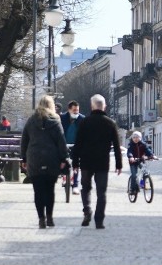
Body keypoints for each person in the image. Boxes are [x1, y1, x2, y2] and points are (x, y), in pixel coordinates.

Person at [71, 94, 122, 229]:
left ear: (92, 106)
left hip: (86, 162)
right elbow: (117, 146)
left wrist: (75, 162)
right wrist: (119, 164)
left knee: (86, 188)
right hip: (102, 163)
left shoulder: (84, 122)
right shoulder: (110, 123)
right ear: (104, 106)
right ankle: (99, 221)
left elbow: (78, 144)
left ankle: (87, 210)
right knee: (101, 192)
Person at [20, 96, 69, 229]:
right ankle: (50, 217)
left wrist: (24, 158)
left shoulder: (31, 120)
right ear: (52, 105)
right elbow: (61, 141)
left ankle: (41, 218)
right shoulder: (56, 121)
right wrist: (64, 158)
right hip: (51, 158)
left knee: (38, 191)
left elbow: (24, 140)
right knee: (50, 190)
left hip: (34, 158)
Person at [60, 100, 85, 194]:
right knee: (63, 160)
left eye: (77, 110)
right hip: (64, 144)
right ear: (69, 109)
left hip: (77, 145)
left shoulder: (82, 119)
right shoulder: (62, 118)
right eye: (74, 110)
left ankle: (75, 184)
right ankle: (64, 177)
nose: (76, 112)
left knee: (76, 164)